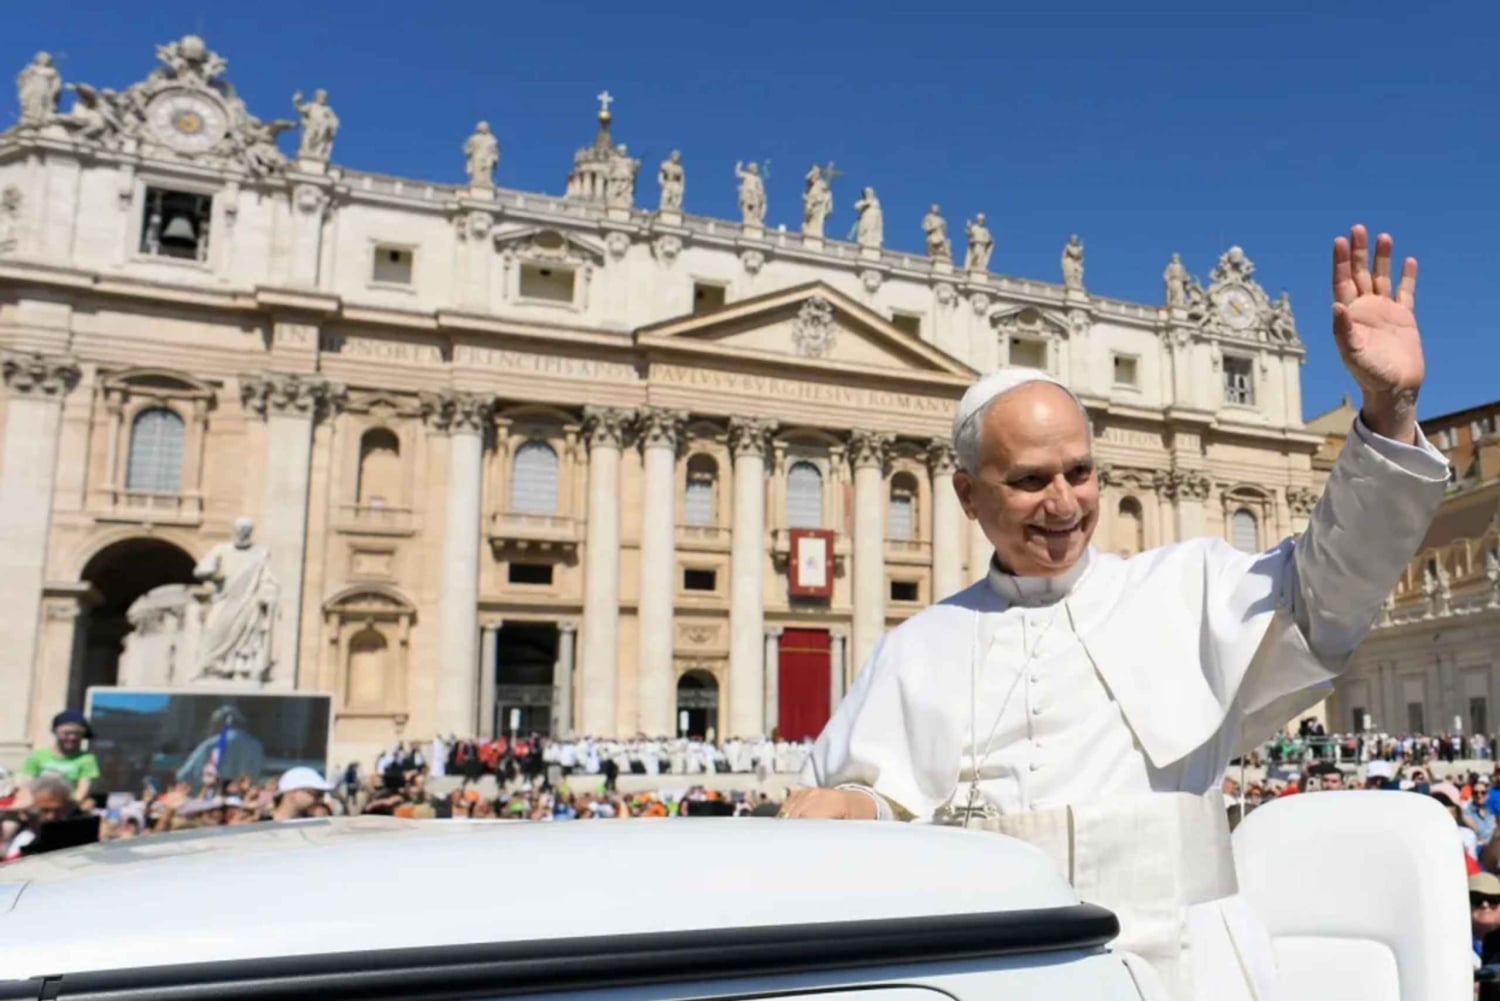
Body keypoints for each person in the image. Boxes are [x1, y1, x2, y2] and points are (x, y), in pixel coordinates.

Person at [787, 226, 1445, 1000]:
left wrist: (1389, 411)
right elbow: (882, 801)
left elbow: (1335, 585)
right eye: (1030, 480)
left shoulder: (1186, 588)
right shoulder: (917, 648)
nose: (1063, 502)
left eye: (1080, 471)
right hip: (991, 975)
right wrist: (851, 804)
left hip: (1188, 972)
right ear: (967, 494)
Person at [20, 710, 101, 805]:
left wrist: (69, 806)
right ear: (55, 732)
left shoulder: (87, 759)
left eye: (77, 733)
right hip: (39, 804)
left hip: (69, 805)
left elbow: (82, 790)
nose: (72, 737)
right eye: (66, 733)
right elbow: (27, 784)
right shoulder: (37, 756)